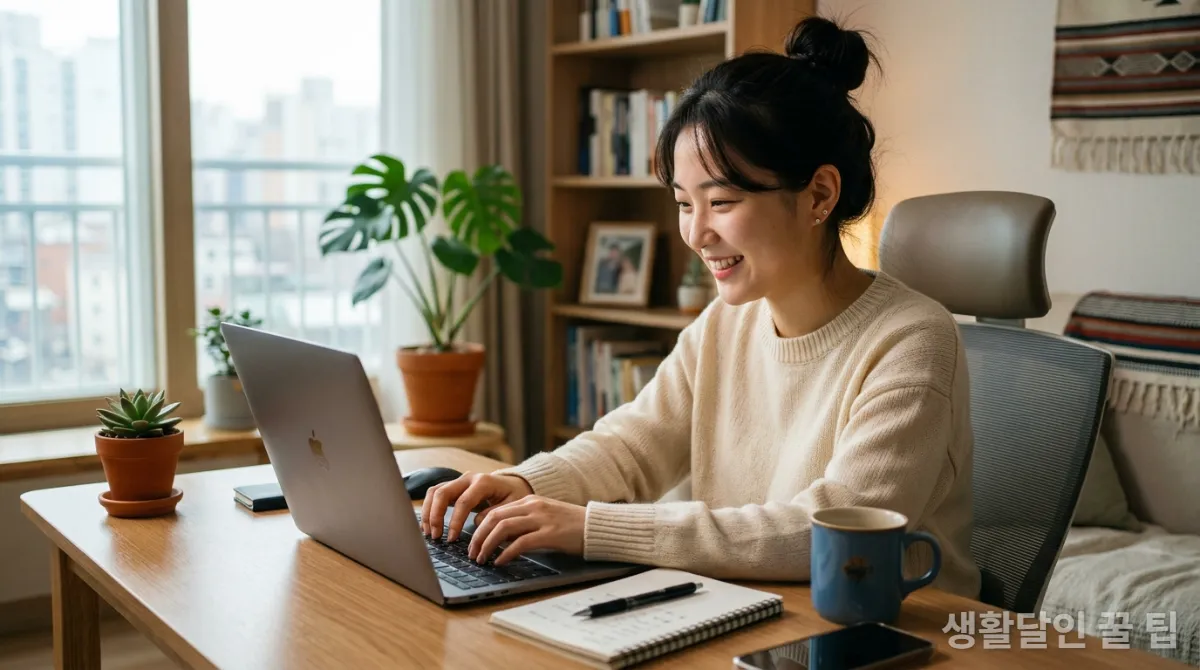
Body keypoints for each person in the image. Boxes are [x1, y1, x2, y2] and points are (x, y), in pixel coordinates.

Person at [420, 16, 981, 599]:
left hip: (895, 635)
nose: (696, 233)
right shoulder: (728, 319)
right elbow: (633, 446)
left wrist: (590, 529)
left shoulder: (913, 340)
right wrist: (520, 483)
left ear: (819, 195)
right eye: (685, 204)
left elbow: (828, 530)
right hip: (744, 606)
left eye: (721, 201)